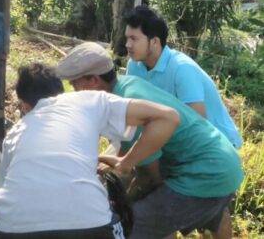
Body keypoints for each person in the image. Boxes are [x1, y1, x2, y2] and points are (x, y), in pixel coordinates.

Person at [57, 43, 245, 239]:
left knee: (132, 225)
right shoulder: (126, 85)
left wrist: (123, 204)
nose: (73, 90)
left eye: (74, 83)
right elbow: (128, 151)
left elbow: (150, 178)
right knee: (205, 211)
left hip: (205, 173)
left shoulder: (124, 113)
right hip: (224, 161)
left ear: (94, 80)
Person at [0, 63, 180, 239]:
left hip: (9, 228)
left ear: (24, 105)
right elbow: (168, 117)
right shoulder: (89, 100)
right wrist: (126, 163)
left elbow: (4, 187)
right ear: (61, 92)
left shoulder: (15, 133)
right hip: (90, 224)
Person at [123, 5, 242, 148]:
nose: (128, 44)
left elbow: (198, 125)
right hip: (173, 136)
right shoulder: (134, 66)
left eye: (134, 39)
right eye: (127, 38)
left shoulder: (182, 68)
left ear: (155, 42)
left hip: (216, 145)